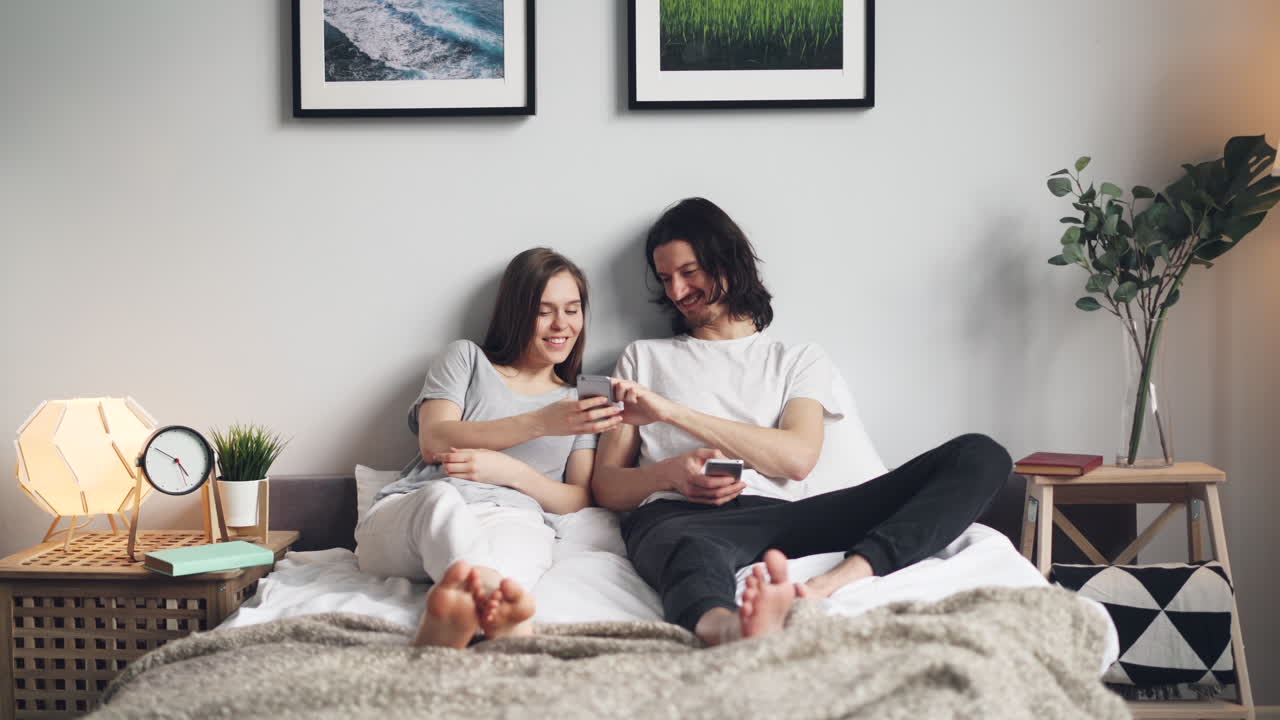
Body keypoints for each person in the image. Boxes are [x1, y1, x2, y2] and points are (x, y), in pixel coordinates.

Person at [592, 198, 1011, 647]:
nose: (676, 292)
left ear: (728, 262)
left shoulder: (797, 359)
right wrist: (670, 474)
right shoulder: (642, 357)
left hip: (786, 517)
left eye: (689, 272)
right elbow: (607, 486)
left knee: (981, 455)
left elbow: (795, 459)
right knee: (691, 550)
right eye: (665, 278)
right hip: (682, 517)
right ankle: (726, 628)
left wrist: (671, 412)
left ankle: (835, 581)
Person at [356, 247, 623, 648]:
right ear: (517, 312)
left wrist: (510, 472)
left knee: (512, 568)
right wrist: (538, 422)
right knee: (440, 502)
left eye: (572, 309)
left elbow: (578, 497)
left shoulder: (580, 401)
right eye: (544, 310)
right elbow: (434, 440)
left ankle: (457, 618)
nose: (561, 325)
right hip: (412, 511)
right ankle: (489, 615)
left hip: (512, 517)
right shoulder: (466, 359)